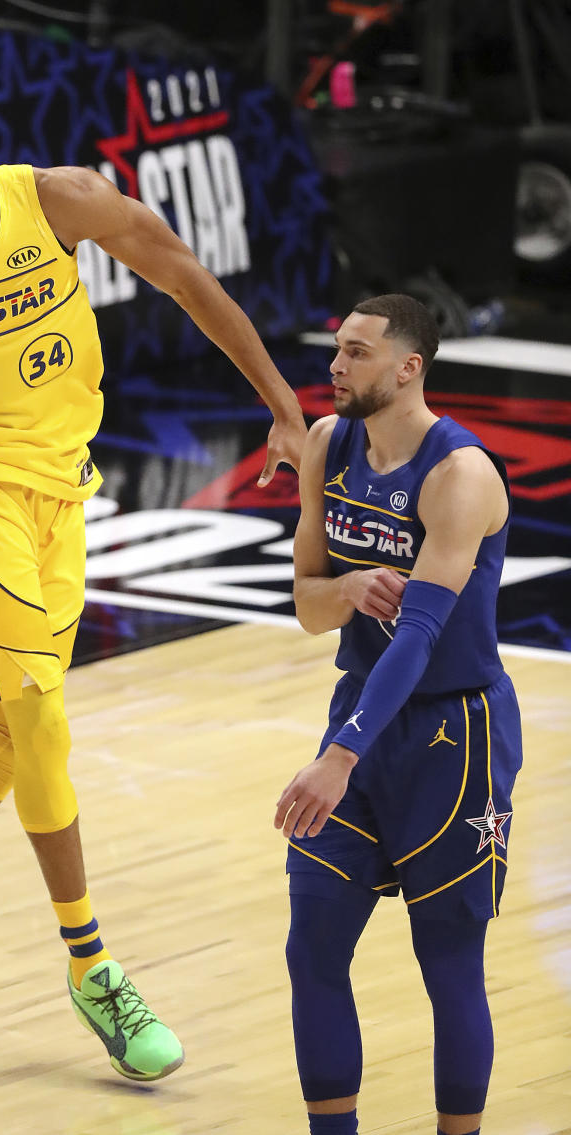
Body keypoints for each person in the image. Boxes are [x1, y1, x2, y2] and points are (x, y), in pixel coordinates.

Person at [0, 76, 306, 1081]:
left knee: (13, 733)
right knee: (37, 713)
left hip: (61, 486)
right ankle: (93, 964)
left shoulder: (62, 201)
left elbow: (182, 275)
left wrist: (282, 403)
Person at [274, 294, 522, 1135]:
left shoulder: (462, 473)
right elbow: (308, 606)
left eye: (355, 352)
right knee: (312, 949)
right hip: (361, 717)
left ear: (408, 367)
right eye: (336, 349)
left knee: (447, 964)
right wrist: (342, 589)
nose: (335, 366)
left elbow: (419, 635)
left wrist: (338, 755)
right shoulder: (325, 443)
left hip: (454, 734)